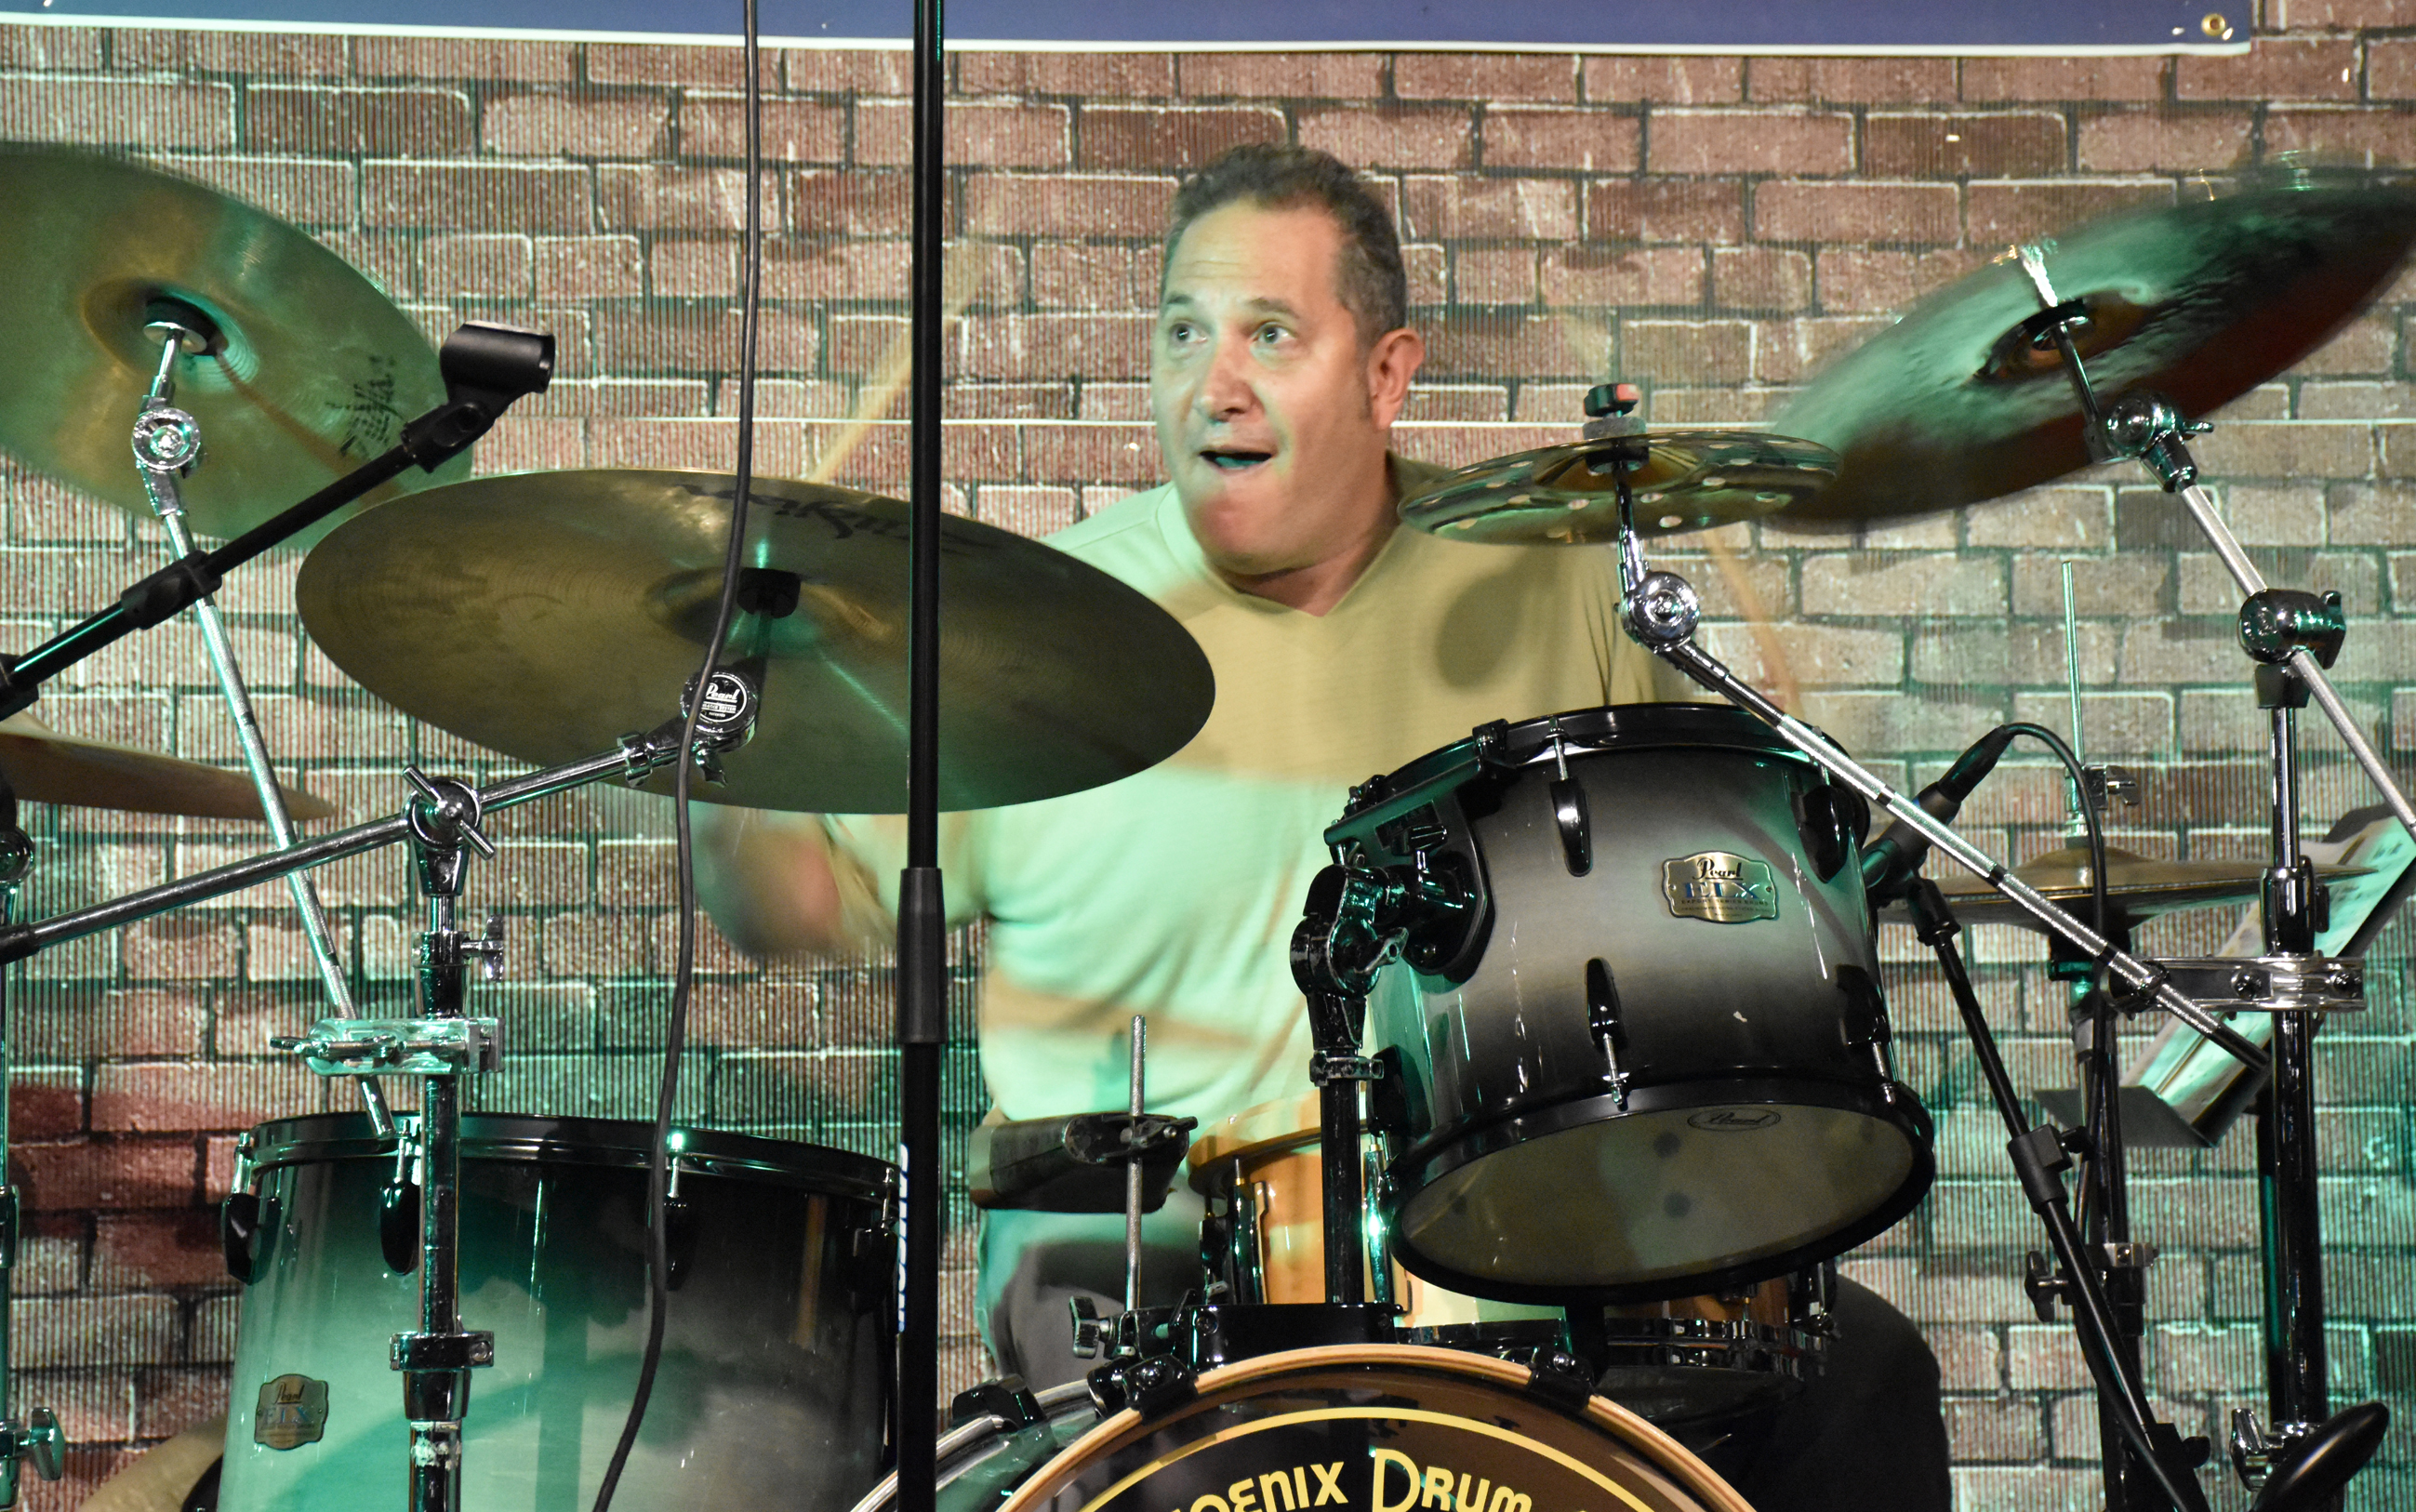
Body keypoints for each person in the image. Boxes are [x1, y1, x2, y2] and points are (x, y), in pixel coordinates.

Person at [697, 143, 1949, 1512]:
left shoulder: (1549, 580)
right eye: (1182, 332)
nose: (1212, 383)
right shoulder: (1031, 626)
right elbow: (797, 905)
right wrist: (716, 735)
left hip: (1517, 1235)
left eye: (1269, 334)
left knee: (1862, 1378)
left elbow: (1698, 887)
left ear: (1386, 374)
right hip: (1145, 1264)